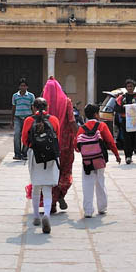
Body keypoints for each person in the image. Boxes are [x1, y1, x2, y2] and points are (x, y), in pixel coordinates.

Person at [22, 97, 61, 234]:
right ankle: (47, 215)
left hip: (35, 156)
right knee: (47, 188)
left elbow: (25, 140)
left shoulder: (29, 120)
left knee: (36, 186)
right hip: (50, 156)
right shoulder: (54, 120)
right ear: (47, 107)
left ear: (33, 107)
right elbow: (58, 137)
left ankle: (36, 216)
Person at [76, 103, 121, 217]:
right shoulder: (102, 126)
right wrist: (117, 155)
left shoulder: (82, 128)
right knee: (100, 182)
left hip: (87, 162)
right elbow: (110, 142)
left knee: (87, 183)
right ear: (96, 114)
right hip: (100, 160)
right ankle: (102, 207)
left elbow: (76, 146)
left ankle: (88, 211)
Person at [44, 77, 77, 212]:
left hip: (47, 146)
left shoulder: (43, 103)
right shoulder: (66, 102)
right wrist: (79, 136)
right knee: (64, 171)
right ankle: (60, 194)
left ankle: (51, 203)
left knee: (49, 173)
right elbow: (72, 121)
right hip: (65, 145)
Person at [114, 79, 136, 165]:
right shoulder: (121, 98)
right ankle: (127, 156)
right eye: (128, 87)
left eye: (131, 86)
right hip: (125, 121)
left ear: (134, 87)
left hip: (135, 121)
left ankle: (130, 155)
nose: (129, 88)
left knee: (133, 138)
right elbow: (116, 108)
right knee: (126, 139)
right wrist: (124, 108)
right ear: (126, 88)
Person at [11, 78, 35, 160]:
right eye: (21, 86)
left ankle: (24, 153)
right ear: (19, 87)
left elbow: (33, 108)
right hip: (17, 118)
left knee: (27, 135)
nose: (23, 87)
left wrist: (35, 118)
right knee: (17, 135)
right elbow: (13, 108)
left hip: (28, 118)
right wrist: (12, 120)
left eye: (24, 86)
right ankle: (17, 154)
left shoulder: (31, 96)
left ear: (27, 87)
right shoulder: (15, 96)